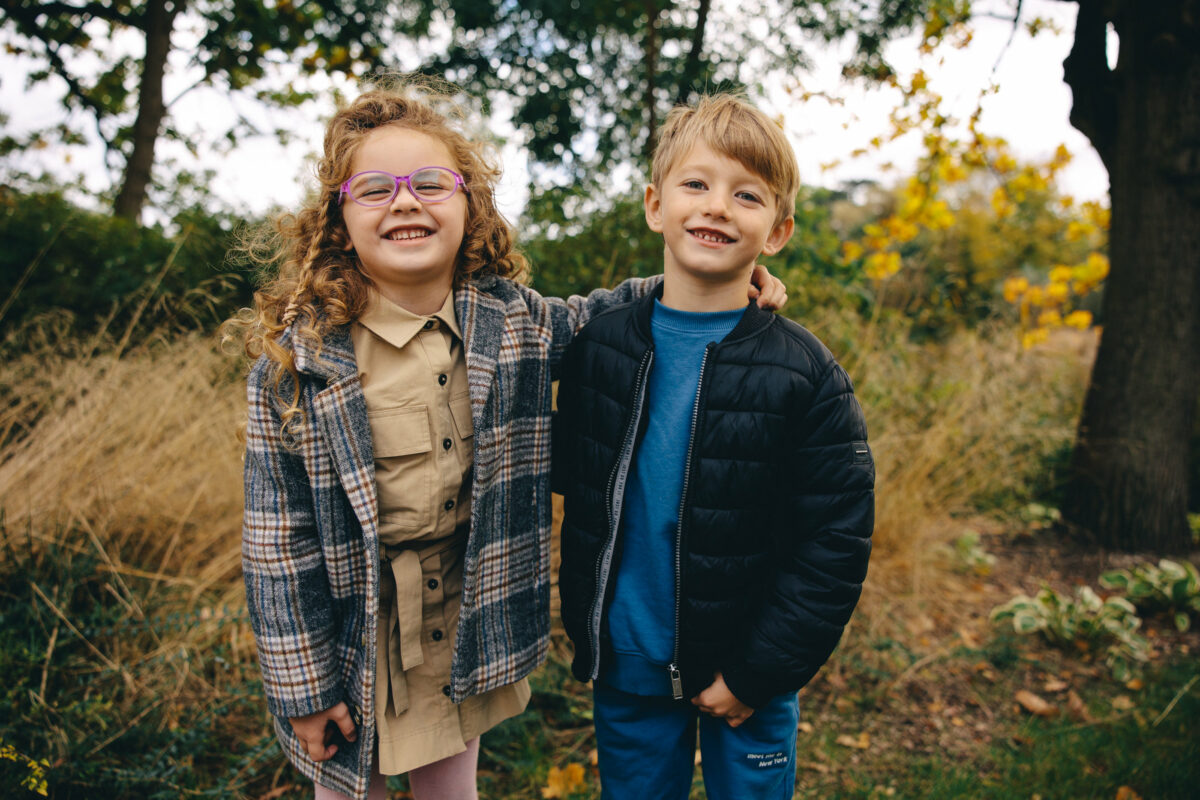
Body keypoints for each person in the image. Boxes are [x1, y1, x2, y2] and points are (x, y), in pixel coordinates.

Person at [232, 76, 786, 800]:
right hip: (355, 636)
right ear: (338, 221)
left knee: (450, 791)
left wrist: (713, 275)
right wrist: (305, 689)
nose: (405, 200)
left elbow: (601, 316)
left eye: (431, 182)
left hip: (466, 625)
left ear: (470, 206)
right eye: (375, 189)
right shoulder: (298, 365)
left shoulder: (511, 323)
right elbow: (277, 546)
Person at [553, 93, 875, 800]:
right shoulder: (598, 348)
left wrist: (757, 672)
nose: (717, 207)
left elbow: (835, 541)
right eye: (695, 184)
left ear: (778, 231)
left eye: (747, 194)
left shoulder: (805, 374)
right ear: (654, 204)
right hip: (628, 664)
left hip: (748, 671)